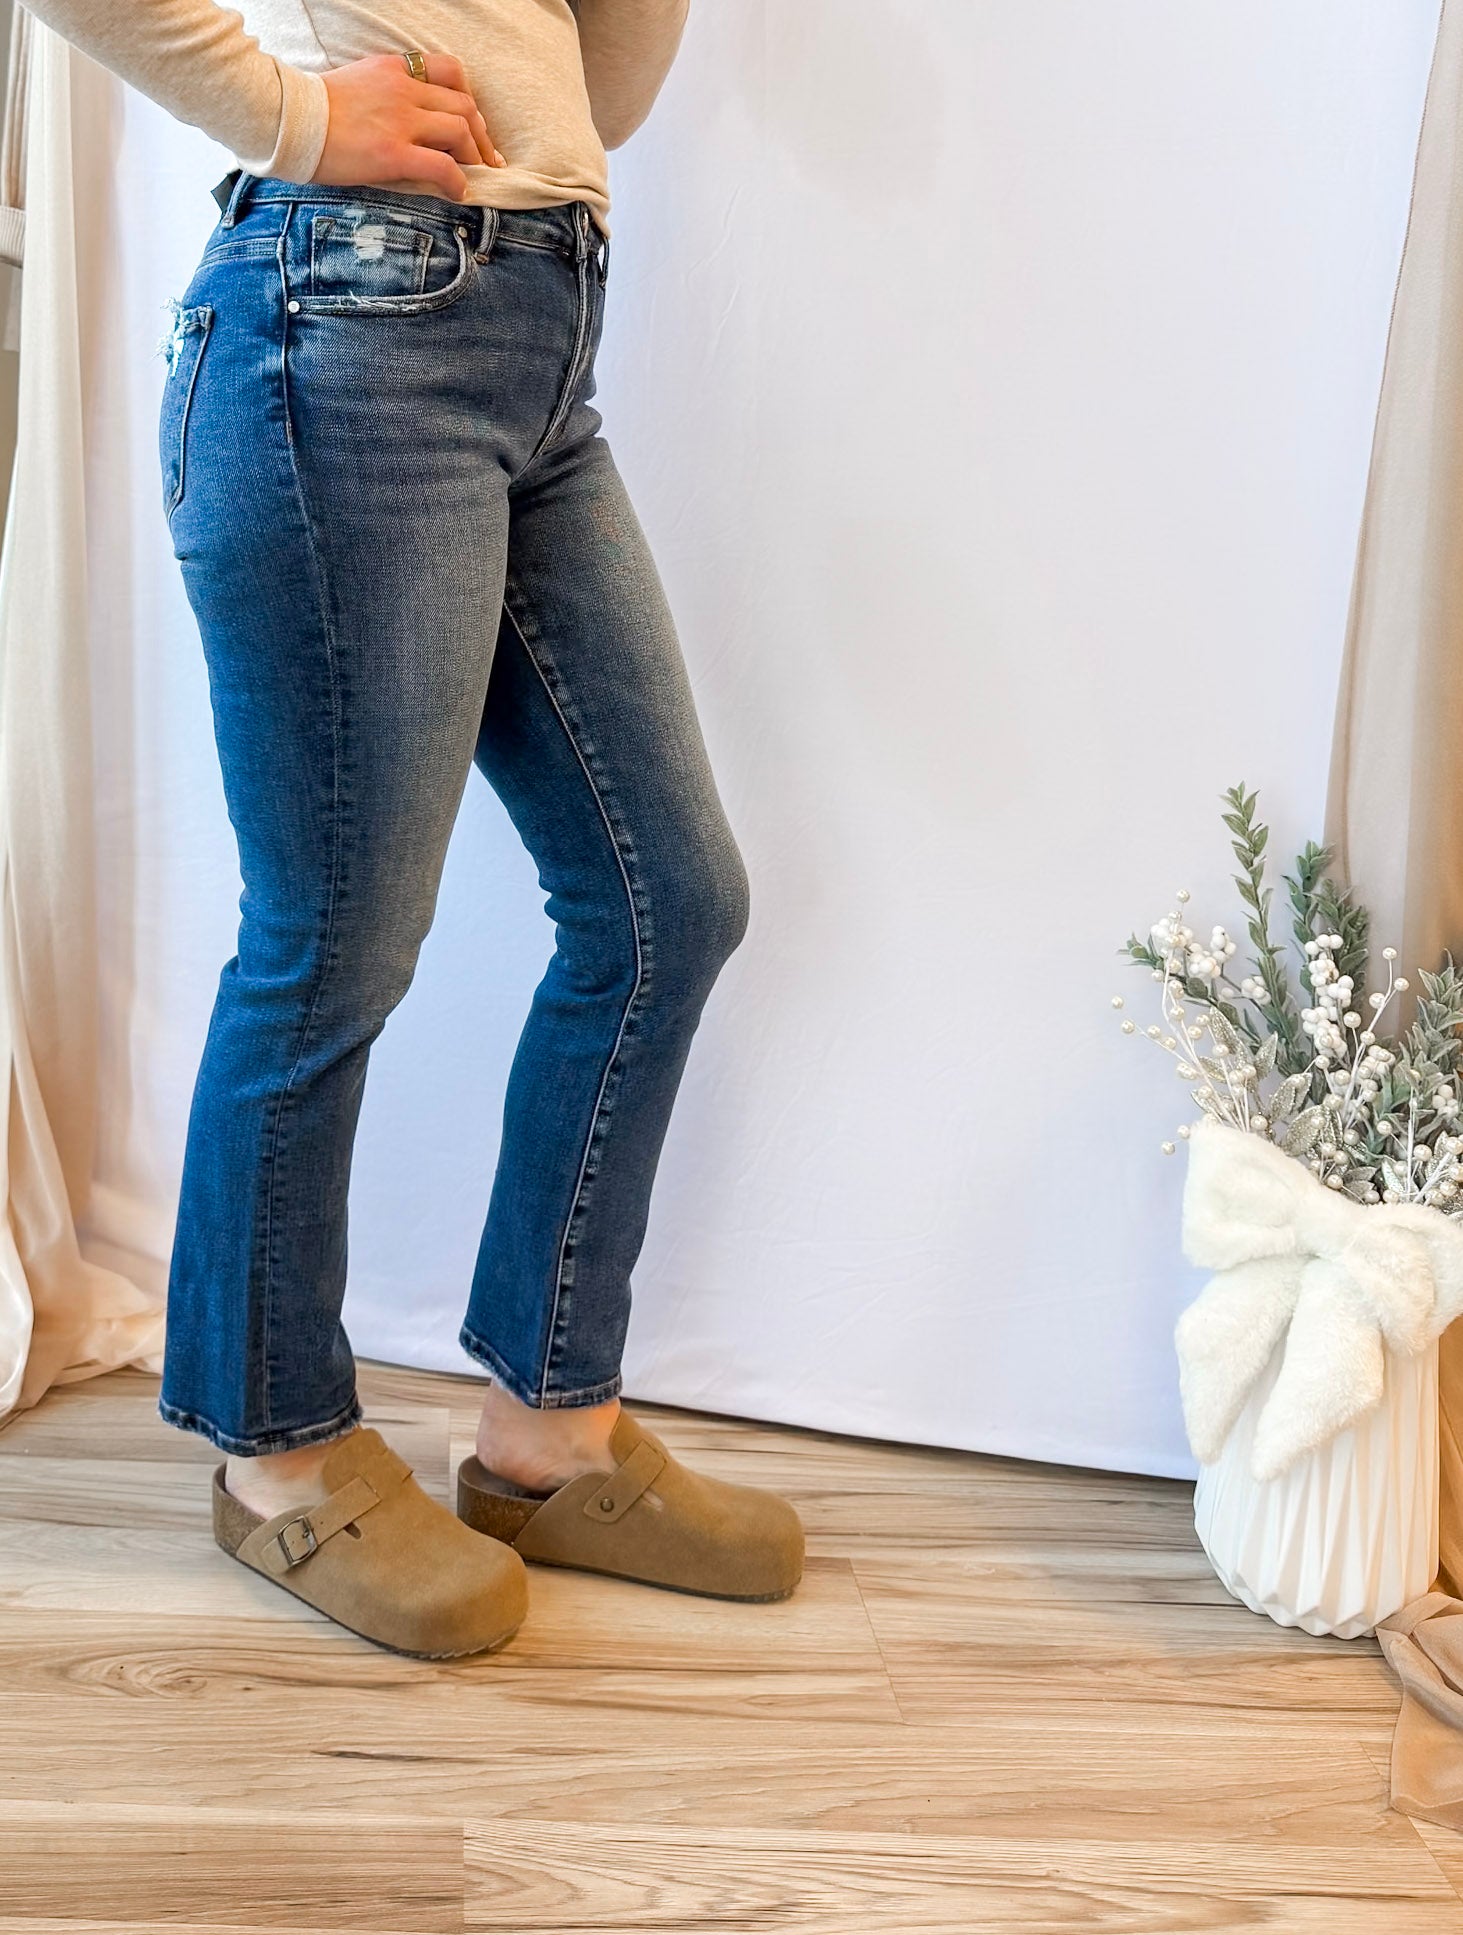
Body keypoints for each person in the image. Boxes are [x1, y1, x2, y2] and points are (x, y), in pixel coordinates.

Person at [22, 0, 804, 1658]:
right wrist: (296, 122)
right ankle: (279, 1453)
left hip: (536, 344)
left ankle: (545, 1440)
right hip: (347, 328)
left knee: (669, 900)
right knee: (333, 943)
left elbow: (600, 95)